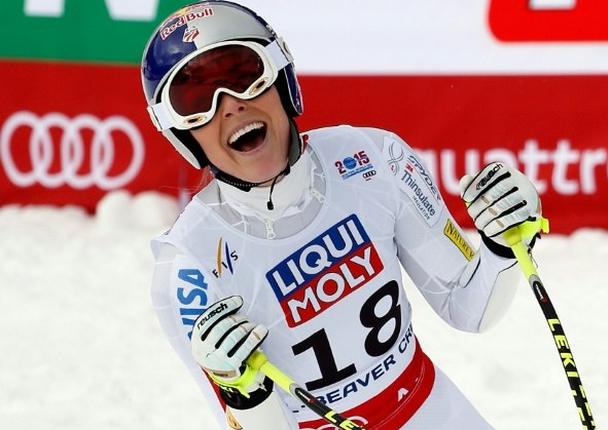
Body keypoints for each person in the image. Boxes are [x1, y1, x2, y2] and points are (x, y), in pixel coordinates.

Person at [141, 1, 543, 429]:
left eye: (244, 75)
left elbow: (469, 308)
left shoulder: (374, 159)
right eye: (197, 101)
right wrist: (243, 393)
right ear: (183, 134)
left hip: (435, 413)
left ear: (282, 79)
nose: (231, 106)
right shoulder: (188, 267)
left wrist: (503, 245)